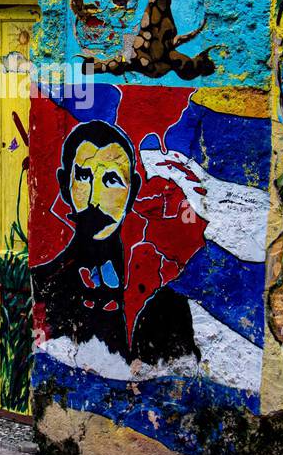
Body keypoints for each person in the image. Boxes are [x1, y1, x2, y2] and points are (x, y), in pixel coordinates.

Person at [32, 119, 198, 365]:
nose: (95, 199)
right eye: (84, 176)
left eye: (111, 180)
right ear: (64, 185)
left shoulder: (164, 304)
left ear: (133, 191)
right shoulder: (42, 285)